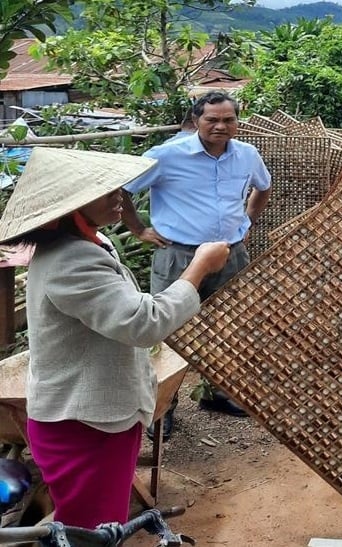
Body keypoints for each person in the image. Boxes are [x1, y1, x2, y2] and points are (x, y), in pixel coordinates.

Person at [0, 147, 231, 528]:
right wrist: (199, 267)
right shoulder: (73, 259)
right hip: (85, 427)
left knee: (95, 524)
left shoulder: (87, 245)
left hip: (93, 420)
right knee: (93, 530)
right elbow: (143, 324)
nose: (120, 197)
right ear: (72, 205)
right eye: (106, 191)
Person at [121, 90, 272, 436]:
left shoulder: (247, 155)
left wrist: (246, 222)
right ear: (195, 121)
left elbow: (263, 188)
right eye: (212, 119)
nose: (221, 126)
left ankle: (217, 393)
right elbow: (121, 190)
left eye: (228, 119)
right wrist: (138, 229)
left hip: (230, 255)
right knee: (168, 332)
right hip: (179, 255)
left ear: (237, 121)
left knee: (228, 326)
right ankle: (161, 407)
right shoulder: (166, 156)